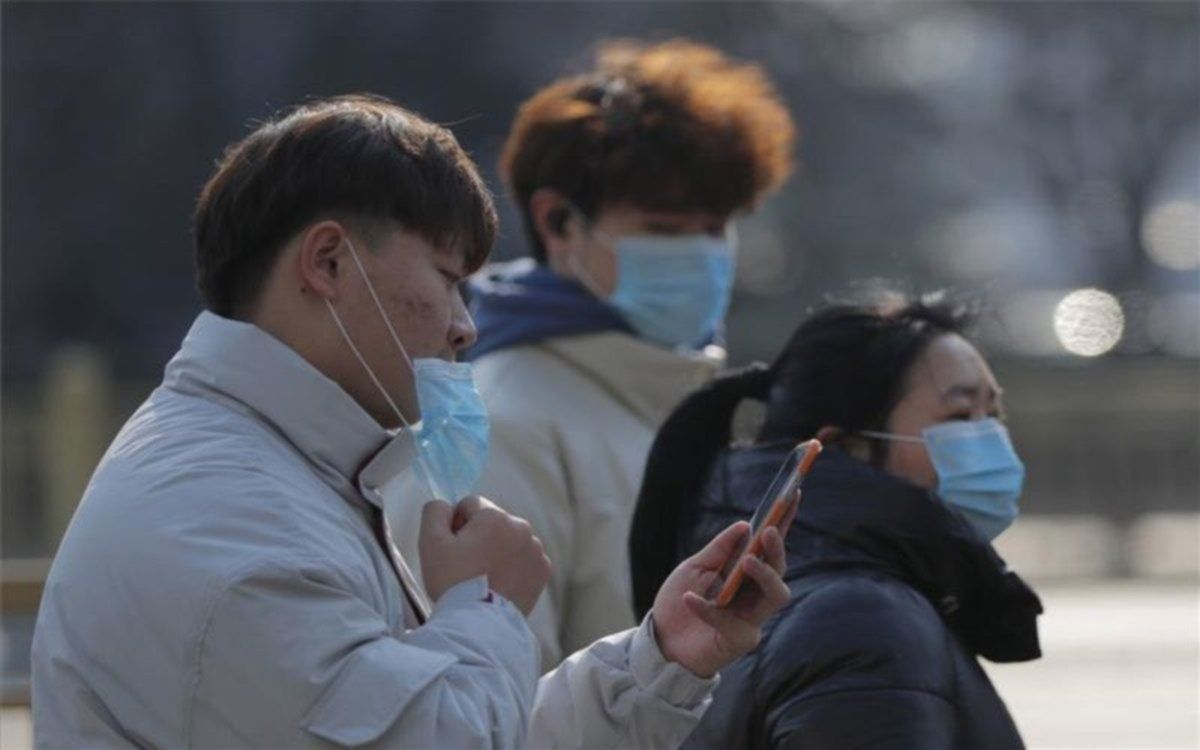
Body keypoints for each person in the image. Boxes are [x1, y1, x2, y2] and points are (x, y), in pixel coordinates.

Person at [30, 95, 793, 748]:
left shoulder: (291, 473)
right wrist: (487, 607)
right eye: (447, 278)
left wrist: (660, 660)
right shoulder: (228, 521)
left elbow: (458, 724)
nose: (464, 325)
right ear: (328, 263)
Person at [393, 38, 797, 670]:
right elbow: (492, 698)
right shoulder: (503, 424)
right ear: (558, 222)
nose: (702, 255)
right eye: (664, 229)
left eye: (716, 228)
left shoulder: (678, 401)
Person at [630, 295, 1043, 749]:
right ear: (843, 448)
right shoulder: (863, 624)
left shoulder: (791, 596)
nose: (990, 439)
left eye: (994, 416)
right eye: (960, 416)